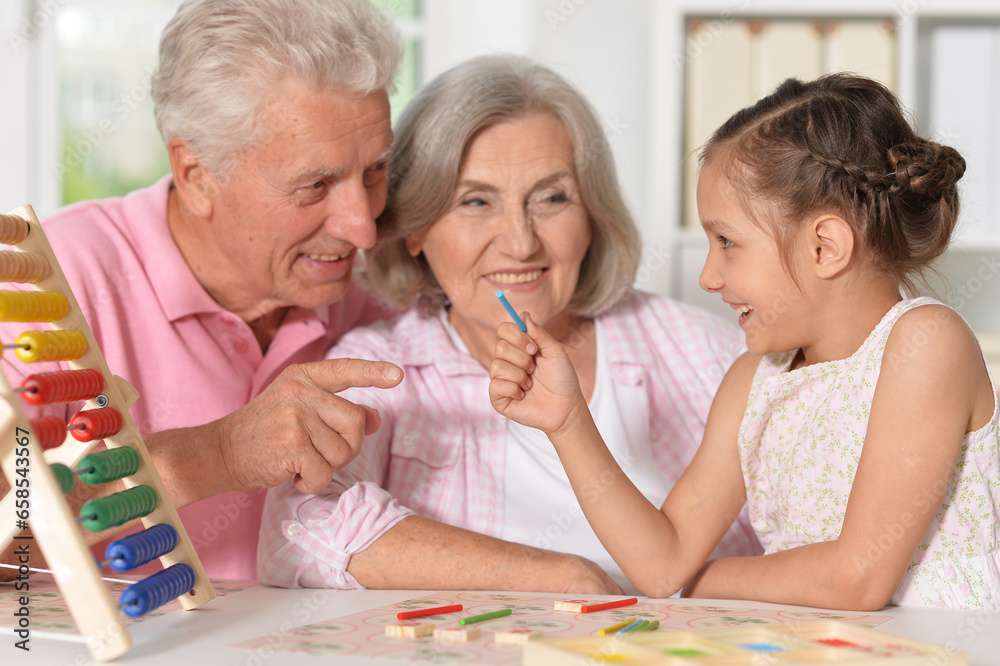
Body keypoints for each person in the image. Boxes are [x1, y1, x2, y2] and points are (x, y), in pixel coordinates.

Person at [489, 73, 1000, 610]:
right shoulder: (754, 383)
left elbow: (856, 581)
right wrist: (568, 421)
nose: (709, 276)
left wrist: (707, 581)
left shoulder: (926, 345)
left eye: (728, 241)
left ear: (825, 246)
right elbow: (661, 566)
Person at [258, 55, 761, 593]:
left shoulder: (707, 349)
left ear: (592, 215)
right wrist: (559, 576)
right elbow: (296, 535)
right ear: (416, 230)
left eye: (552, 197)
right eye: (476, 201)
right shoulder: (380, 370)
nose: (521, 243)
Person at [0, 0, 405, 580]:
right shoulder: (43, 285)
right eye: (315, 185)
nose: (363, 227)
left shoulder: (375, 302)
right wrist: (213, 457)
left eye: (375, 171)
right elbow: (5, 546)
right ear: (197, 177)